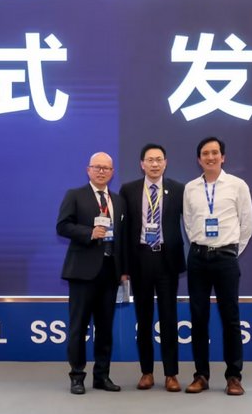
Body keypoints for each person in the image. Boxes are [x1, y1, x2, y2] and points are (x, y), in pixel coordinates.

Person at [183, 137, 252, 396]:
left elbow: (247, 225)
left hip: (225, 259)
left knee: (230, 319)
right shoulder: (191, 188)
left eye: (215, 153)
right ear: (199, 159)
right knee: (198, 318)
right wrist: (203, 247)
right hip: (197, 258)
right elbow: (189, 223)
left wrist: (230, 251)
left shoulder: (237, 185)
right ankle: (201, 375)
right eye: (205, 153)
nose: (210, 157)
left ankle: (234, 377)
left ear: (223, 157)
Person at [56, 152, 128, 395]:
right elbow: (62, 226)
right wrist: (89, 232)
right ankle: (77, 376)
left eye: (106, 168)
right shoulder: (75, 195)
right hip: (82, 273)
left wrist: (124, 270)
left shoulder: (118, 201)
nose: (101, 171)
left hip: (110, 273)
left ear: (112, 173)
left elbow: (123, 238)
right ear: (88, 170)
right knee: (78, 327)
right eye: (97, 167)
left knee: (105, 329)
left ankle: (102, 376)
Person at [119, 144, 185, 392]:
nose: (154, 164)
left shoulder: (178, 189)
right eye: (150, 160)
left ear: (165, 163)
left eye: (159, 159)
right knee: (143, 319)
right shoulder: (129, 190)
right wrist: (124, 266)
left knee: (169, 318)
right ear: (142, 164)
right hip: (140, 261)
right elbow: (124, 231)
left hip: (167, 261)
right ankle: (146, 372)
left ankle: (171, 374)